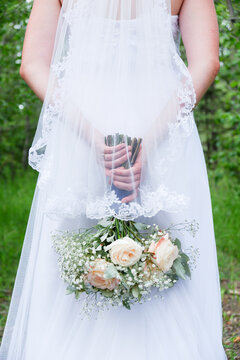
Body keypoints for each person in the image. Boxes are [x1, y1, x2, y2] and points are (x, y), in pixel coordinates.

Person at [0, 0, 227, 359]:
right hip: (161, 119)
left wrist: (93, 137)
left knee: (69, 254)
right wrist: (146, 143)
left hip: (82, 122)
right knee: (167, 253)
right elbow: (207, 62)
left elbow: (32, 65)